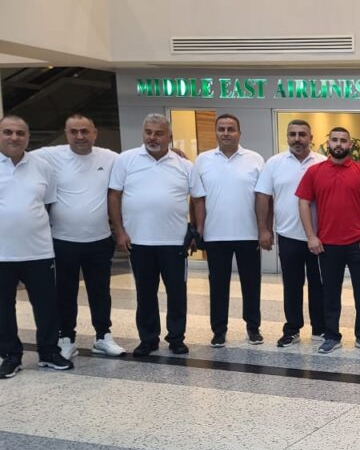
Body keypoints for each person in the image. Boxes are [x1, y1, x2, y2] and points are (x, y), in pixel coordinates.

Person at [108, 114, 206, 357]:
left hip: (175, 243)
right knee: (145, 293)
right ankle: (148, 339)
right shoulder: (126, 160)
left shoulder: (185, 165)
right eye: (148, 132)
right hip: (139, 242)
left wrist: (197, 231)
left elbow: (198, 199)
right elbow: (114, 195)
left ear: (169, 137)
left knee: (177, 294)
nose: (152, 137)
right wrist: (119, 231)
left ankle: (176, 338)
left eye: (158, 133)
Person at [32, 114, 124, 359]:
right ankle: (66, 338)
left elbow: (136, 162)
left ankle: (103, 336)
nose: (80, 136)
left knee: (100, 291)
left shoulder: (110, 157)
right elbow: (18, 152)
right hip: (62, 241)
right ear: (66, 133)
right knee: (65, 292)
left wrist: (176, 156)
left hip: (99, 240)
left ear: (95, 133)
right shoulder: (50, 155)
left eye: (85, 131)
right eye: (74, 131)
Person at [296, 127, 360, 354]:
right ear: (328, 144)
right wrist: (311, 236)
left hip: (359, 243)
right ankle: (332, 335)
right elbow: (303, 202)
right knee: (330, 293)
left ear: (350, 145)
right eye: (334, 140)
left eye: (343, 140)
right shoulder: (314, 172)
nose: (339, 144)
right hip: (327, 244)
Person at [0, 115, 73, 378]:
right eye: (8, 132)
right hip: (2, 254)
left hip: (39, 251)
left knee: (46, 306)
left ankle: (48, 352)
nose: (14, 137)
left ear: (28, 137)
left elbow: (47, 204)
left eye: (20, 133)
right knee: (3, 308)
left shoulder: (42, 167)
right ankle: (10, 355)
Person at [194, 114, 265, 347]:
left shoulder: (255, 159)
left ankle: (253, 328)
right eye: (221, 129)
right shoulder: (203, 160)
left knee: (251, 284)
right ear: (216, 132)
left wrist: (263, 229)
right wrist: (199, 229)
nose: (226, 133)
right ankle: (219, 331)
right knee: (217, 285)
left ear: (239, 133)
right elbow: (197, 198)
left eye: (231, 129)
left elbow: (263, 197)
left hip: (248, 234)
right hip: (215, 236)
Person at [255, 119, 326, 347]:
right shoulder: (274, 163)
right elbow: (263, 196)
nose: (297, 139)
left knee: (319, 285)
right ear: (287, 137)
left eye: (302, 134)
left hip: (319, 237)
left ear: (311, 138)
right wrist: (264, 229)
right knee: (292, 285)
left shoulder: (322, 162)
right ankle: (292, 329)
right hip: (288, 236)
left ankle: (320, 329)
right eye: (293, 134)